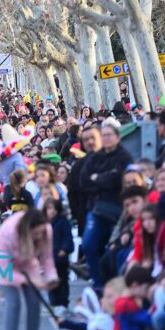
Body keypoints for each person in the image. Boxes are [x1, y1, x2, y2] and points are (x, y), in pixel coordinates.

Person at [0, 209, 59, 330]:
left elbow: (47, 259)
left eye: (42, 233)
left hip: (27, 261)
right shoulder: (8, 233)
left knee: (34, 302)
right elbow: (5, 271)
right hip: (1, 262)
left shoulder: (46, 230)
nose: (40, 237)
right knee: (14, 304)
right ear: (27, 230)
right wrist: (32, 281)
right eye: (36, 234)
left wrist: (51, 278)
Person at [80, 123, 133, 288]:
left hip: (118, 210)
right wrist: (106, 178)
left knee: (115, 249)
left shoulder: (124, 157)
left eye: (109, 135)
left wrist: (99, 178)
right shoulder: (95, 157)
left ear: (117, 137)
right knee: (88, 245)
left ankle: (119, 286)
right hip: (97, 209)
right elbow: (85, 181)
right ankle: (99, 284)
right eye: (104, 135)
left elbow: (119, 179)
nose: (106, 138)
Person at [44, 198, 74, 315]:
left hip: (60, 258)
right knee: (51, 281)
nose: (52, 211)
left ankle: (63, 303)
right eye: (49, 209)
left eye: (54, 208)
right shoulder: (45, 223)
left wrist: (65, 249)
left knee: (62, 281)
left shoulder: (63, 222)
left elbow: (67, 237)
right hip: (49, 258)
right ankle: (53, 302)